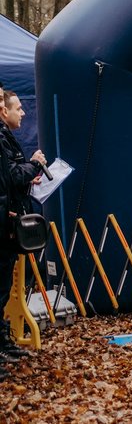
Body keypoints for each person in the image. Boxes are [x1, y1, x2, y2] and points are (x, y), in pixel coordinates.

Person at [0, 87, 45, 375]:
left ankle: (3, 341)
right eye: (18, 108)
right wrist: (34, 164)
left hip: (8, 221)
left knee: (3, 288)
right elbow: (11, 176)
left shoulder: (5, 137)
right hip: (3, 222)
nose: (23, 112)